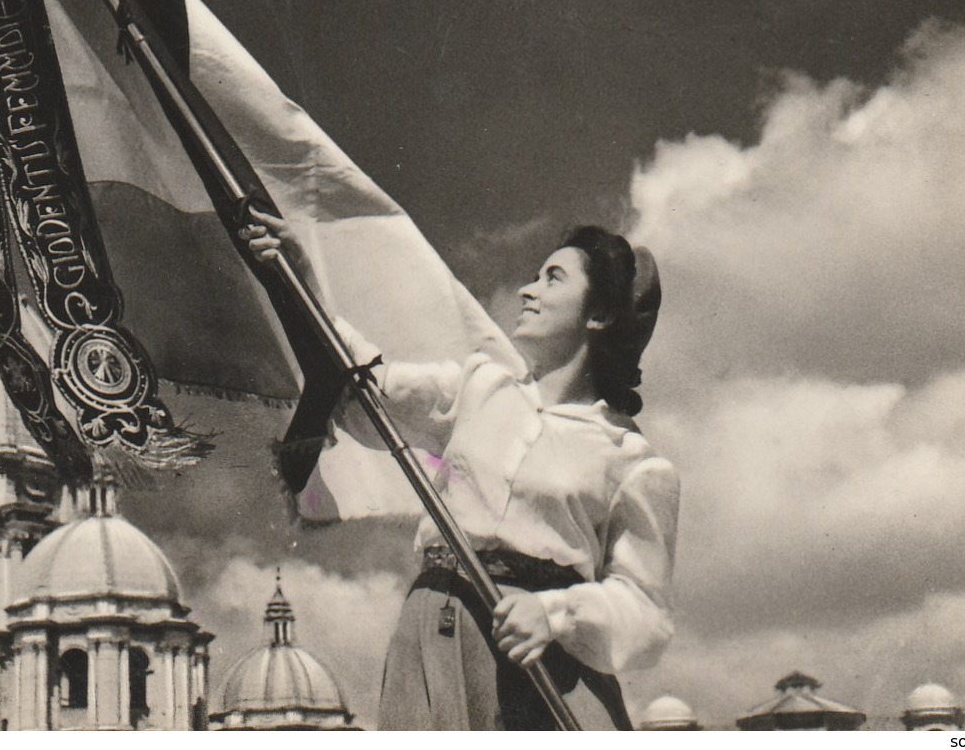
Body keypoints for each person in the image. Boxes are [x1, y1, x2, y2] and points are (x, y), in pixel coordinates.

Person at [243, 210, 678, 731]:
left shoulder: (634, 459)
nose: (526, 289)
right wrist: (297, 276)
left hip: (543, 660)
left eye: (552, 278)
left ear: (600, 314)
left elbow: (645, 614)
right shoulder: (479, 388)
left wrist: (555, 614)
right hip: (437, 631)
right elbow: (362, 382)